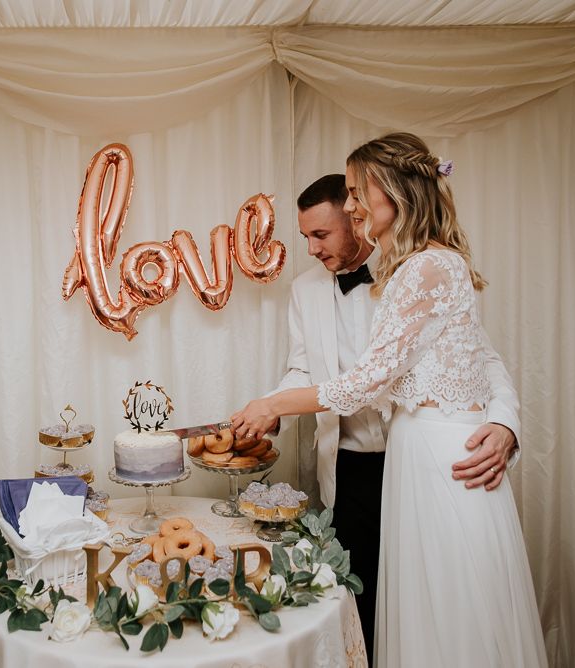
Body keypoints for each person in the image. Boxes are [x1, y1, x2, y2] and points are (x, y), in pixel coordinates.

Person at [232, 134, 547, 667]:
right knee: (374, 606)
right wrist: (269, 409)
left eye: (322, 231)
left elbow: (479, 359)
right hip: (355, 467)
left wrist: (506, 425)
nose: (313, 247)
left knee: (445, 598)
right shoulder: (307, 290)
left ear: (358, 217)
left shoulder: (420, 268)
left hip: (427, 457)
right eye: (306, 236)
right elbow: (303, 368)